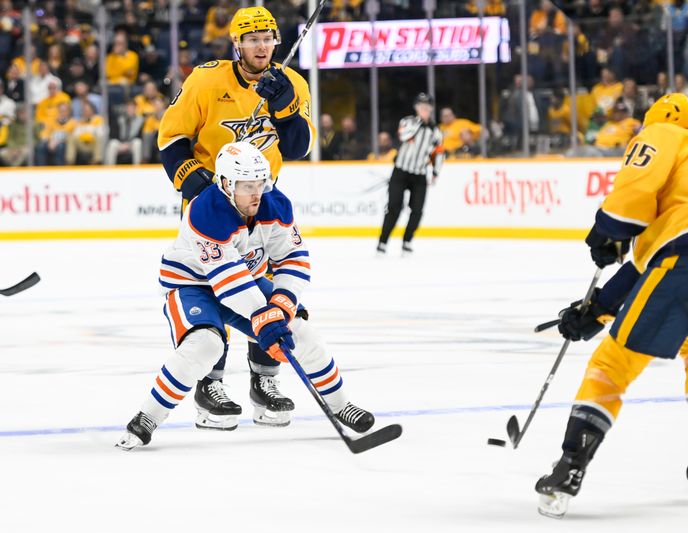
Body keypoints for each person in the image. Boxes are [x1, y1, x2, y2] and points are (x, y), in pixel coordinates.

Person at [535, 94, 688, 518]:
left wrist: (609, 230)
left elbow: (636, 190)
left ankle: (570, 467)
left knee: (611, 365)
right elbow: (650, 265)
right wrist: (597, 310)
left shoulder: (665, 135)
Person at [116, 142, 375, 450]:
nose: (256, 193)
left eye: (260, 183)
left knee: (300, 332)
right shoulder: (205, 210)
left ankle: (340, 405)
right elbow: (227, 279)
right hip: (192, 285)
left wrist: (282, 303)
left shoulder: (274, 203)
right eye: (247, 185)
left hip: (243, 283)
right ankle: (147, 417)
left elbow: (293, 258)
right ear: (226, 184)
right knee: (205, 345)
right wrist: (264, 317)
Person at [156, 6, 315, 430]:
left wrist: (284, 108)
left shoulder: (292, 84)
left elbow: (299, 147)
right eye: (252, 39)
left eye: (268, 38)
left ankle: (265, 382)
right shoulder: (207, 79)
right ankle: (211, 386)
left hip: (261, 201)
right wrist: (197, 186)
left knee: (265, 289)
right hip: (211, 199)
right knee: (216, 287)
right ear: (237, 44)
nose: (261, 46)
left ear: (276, 42)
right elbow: (172, 137)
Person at [377, 93, 444, 256]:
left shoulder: (436, 132)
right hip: (400, 171)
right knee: (394, 207)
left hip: (419, 174)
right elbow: (404, 136)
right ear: (416, 108)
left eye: (427, 107)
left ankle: (407, 241)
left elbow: (439, 153)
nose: (424, 109)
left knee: (417, 210)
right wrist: (420, 122)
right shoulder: (407, 122)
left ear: (431, 109)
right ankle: (383, 241)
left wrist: (435, 171)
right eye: (421, 106)